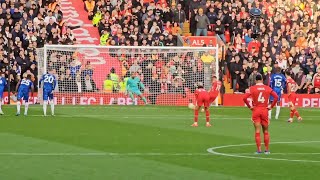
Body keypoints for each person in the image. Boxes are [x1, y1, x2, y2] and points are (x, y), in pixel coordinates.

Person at [243, 74, 278, 154]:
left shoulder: (252, 88)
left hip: (256, 110)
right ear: (262, 80)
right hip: (265, 110)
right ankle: (266, 150)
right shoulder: (267, 88)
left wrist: (250, 107)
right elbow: (276, 97)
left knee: (257, 131)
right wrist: (271, 106)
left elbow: (244, 98)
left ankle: (259, 150)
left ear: (255, 80)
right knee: (265, 131)